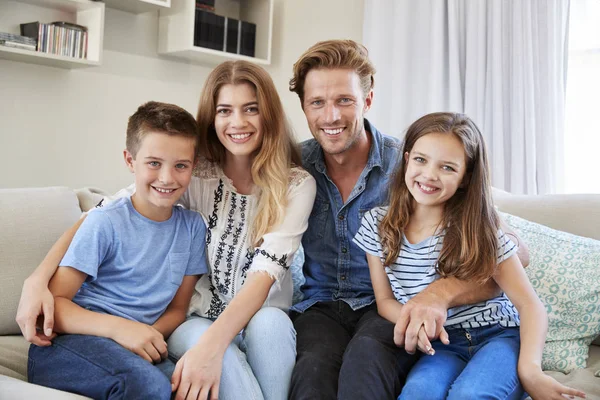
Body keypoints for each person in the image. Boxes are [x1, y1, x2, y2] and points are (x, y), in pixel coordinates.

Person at [17, 61, 316, 400]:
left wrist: (175, 340)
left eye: (251, 109)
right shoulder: (195, 174)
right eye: (225, 110)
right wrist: (36, 279)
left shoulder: (289, 187)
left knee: (269, 326)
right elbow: (103, 212)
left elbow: (259, 277)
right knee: (171, 376)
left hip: (253, 314)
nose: (238, 122)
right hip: (179, 323)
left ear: (269, 115)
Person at [287, 40, 531, 400]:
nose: (331, 116)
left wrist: (440, 292)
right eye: (317, 103)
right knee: (313, 369)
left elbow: (516, 254)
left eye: (344, 100)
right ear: (305, 108)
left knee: (366, 356)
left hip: (391, 305)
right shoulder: (295, 167)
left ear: (367, 101)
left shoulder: (417, 165)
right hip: (322, 305)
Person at [353, 112, 586, 400]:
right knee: (417, 394)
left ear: (465, 178)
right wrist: (415, 322)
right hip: (442, 346)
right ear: (406, 159)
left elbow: (529, 304)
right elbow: (385, 301)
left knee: (470, 394)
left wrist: (531, 370)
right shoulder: (377, 224)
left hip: (498, 336)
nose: (429, 175)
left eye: (447, 167)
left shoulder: (478, 226)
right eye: (421, 160)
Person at [27, 101, 208, 400]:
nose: (167, 178)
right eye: (153, 163)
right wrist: (121, 330)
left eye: (180, 165)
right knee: (149, 386)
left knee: (192, 386)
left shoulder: (191, 229)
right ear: (129, 160)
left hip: (131, 347)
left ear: (194, 165)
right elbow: (56, 306)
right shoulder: (104, 222)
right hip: (68, 346)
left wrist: (146, 336)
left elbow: (178, 309)